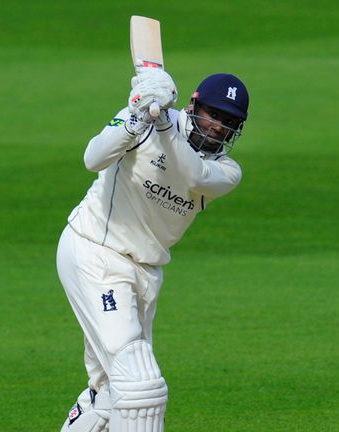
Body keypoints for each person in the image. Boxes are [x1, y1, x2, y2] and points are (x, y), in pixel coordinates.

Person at [57, 68, 250, 432]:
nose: (218, 127)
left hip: (145, 272)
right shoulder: (149, 115)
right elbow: (92, 158)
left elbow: (193, 175)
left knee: (112, 392)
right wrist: (135, 115)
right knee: (140, 384)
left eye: (229, 122)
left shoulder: (226, 170)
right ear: (194, 103)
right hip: (95, 251)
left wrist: (160, 126)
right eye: (213, 114)